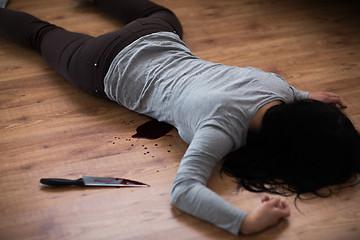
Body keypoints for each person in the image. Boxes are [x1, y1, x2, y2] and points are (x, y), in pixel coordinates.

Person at [0, 0, 359, 236]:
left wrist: (307, 95)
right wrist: (245, 222)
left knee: (159, 11)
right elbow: (184, 192)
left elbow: (287, 94)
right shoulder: (220, 130)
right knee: (40, 34)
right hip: (101, 64)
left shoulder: (275, 85)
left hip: (155, 32)